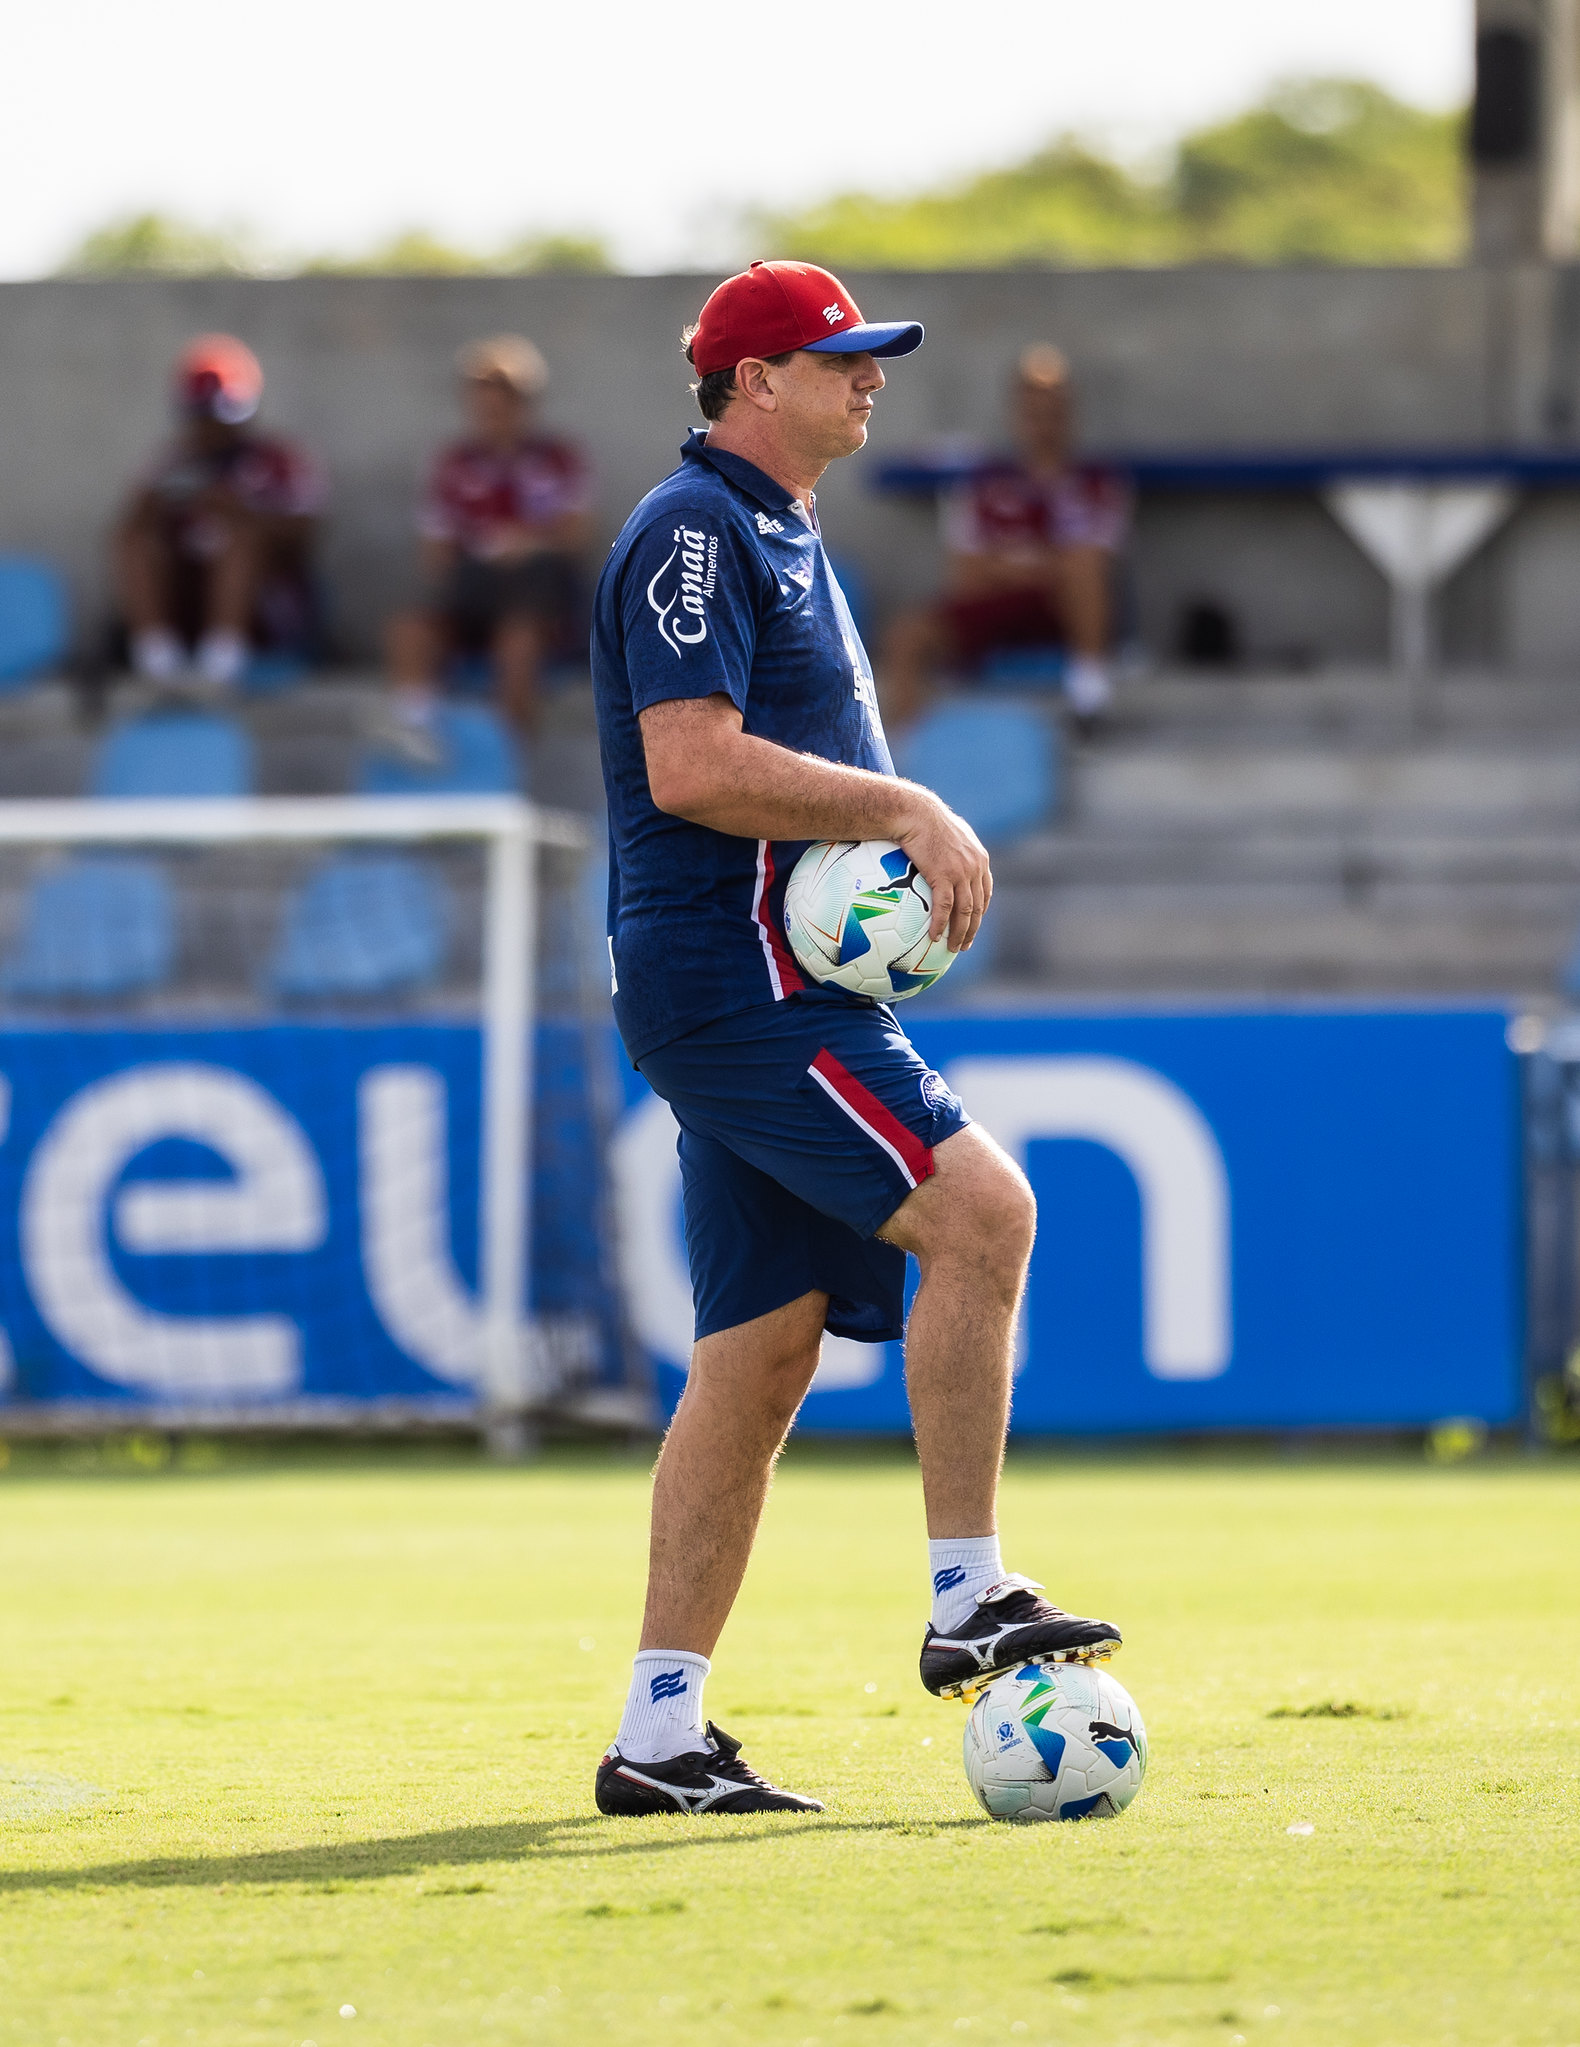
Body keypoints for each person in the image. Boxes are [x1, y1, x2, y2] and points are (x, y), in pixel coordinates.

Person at [589, 260, 1122, 1817]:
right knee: (988, 1210)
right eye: (840, 358)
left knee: (756, 1361)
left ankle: (661, 1732)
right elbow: (687, 766)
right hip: (741, 973)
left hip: (762, 975)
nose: (869, 377)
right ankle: (970, 1592)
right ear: (754, 380)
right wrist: (904, 803)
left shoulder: (780, 526)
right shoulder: (693, 527)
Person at [880, 344, 1131, 727]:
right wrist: (1047, 564)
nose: (1044, 420)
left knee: (1085, 570)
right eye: (1034, 409)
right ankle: (901, 758)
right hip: (995, 607)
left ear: (1070, 413)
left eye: (1054, 409)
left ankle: (1089, 704)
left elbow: (1094, 564)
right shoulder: (980, 485)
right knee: (906, 635)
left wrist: (1012, 562)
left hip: (1063, 613)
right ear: (1017, 413)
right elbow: (965, 575)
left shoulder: (1099, 483)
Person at [377, 335, 592, 760]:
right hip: (473, 591)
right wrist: (480, 556)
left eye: (501, 407)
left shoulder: (559, 460)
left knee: (518, 643)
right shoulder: (453, 464)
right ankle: (415, 733)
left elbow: (577, 537)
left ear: (524, 406)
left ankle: (510, 764)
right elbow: (434, 551)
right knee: (409, 631)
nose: (490, 418)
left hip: (541, 598)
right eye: (482, 407)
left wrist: (525, 544)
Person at [114, 334, 326, 692]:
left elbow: (307, 538)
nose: (210, 429)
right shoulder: (171, 459)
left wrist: (237, 511)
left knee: (241, 539)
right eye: (201, 417)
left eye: (218, 417)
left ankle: (220, 667)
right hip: (185, 605)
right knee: (137, 539)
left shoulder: (281, 460)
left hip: (263, 611)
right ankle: (157, 661)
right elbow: (127, 532)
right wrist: (155, 503)